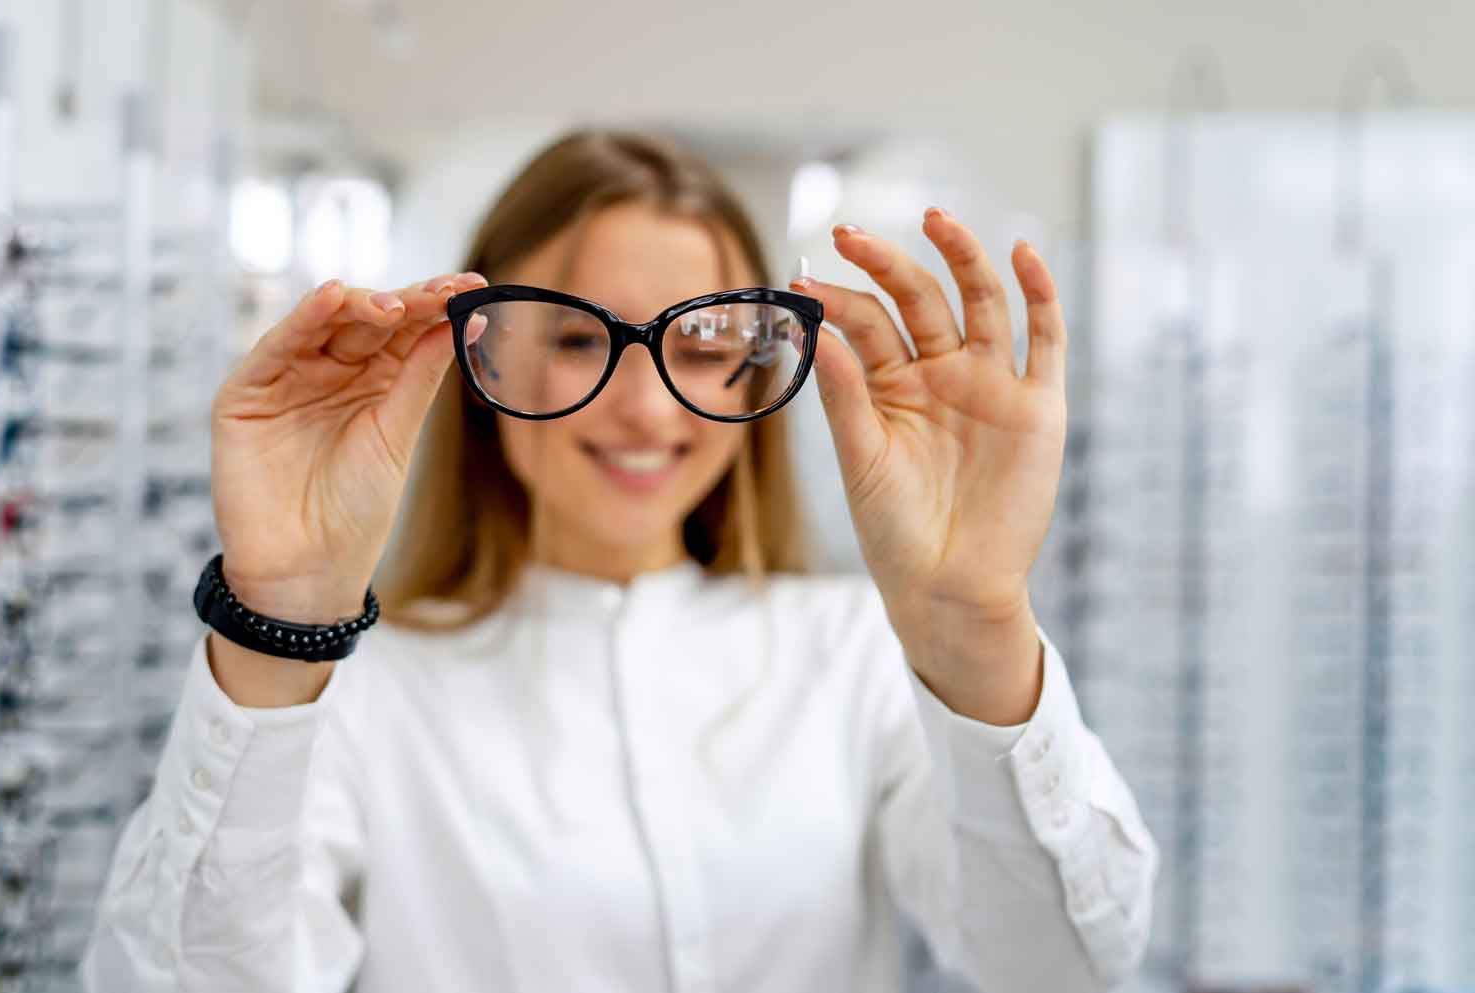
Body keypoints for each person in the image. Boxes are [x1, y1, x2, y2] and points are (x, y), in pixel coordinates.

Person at [81, 130, 1157, 993]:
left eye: (702, 341)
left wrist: (978, 626)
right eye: (578, 337)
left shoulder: (856, 656)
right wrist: (281, 620)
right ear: (479, 349)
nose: (644, 406)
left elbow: (1066, 963)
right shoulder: (358, 694)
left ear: (755, 368)